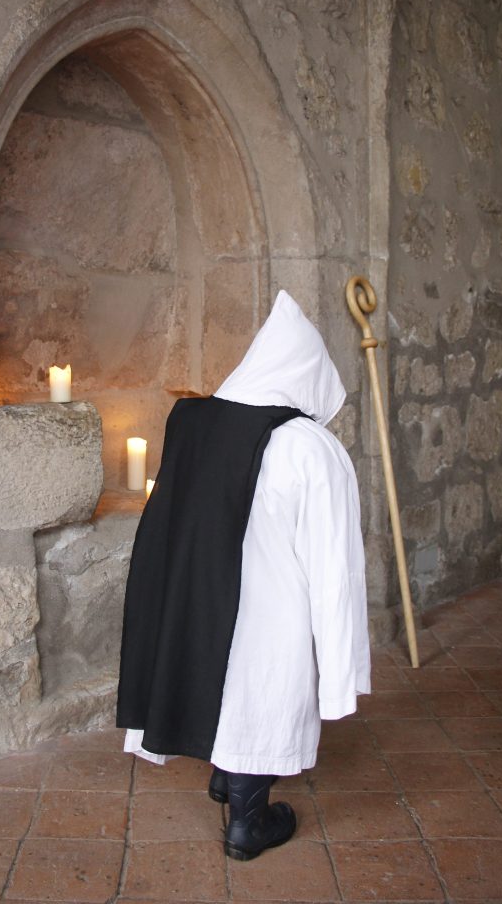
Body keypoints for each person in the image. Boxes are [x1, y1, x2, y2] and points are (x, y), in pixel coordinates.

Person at [116, 290, 370, 860]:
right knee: (263, 682)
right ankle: (247, 824)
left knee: (222, 671)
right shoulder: (310, 447)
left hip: (200, 603)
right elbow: (336, 572)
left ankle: (225, 775)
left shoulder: (194, 422)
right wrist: (338, 671)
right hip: (270, 608)